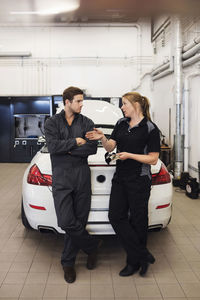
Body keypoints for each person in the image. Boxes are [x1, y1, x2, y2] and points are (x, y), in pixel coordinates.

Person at [86, 92, 160, 277]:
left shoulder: (150, 128)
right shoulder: (121, 123)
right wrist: (103, 138)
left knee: (138, 221)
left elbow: (153, 159)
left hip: (139, 180)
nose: (122, 107)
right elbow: (111, 147)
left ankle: (134, 263)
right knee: (115, 216)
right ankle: (143, 254)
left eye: (124, 103)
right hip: (120, 178)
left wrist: (129, 155)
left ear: (136, 105)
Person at [44, 86, 102, 283]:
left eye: (81, 100)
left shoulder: (87, 122)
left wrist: (68, 148)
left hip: (81, 177)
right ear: (67, 102)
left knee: (79, 218)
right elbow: (52, 147)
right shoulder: (52, 122)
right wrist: (75, 142)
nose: (81, 104)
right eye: (78, 101)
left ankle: (67, 263)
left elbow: (92, 148)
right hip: (61, 177)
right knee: (66, 222)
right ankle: (91, 247)